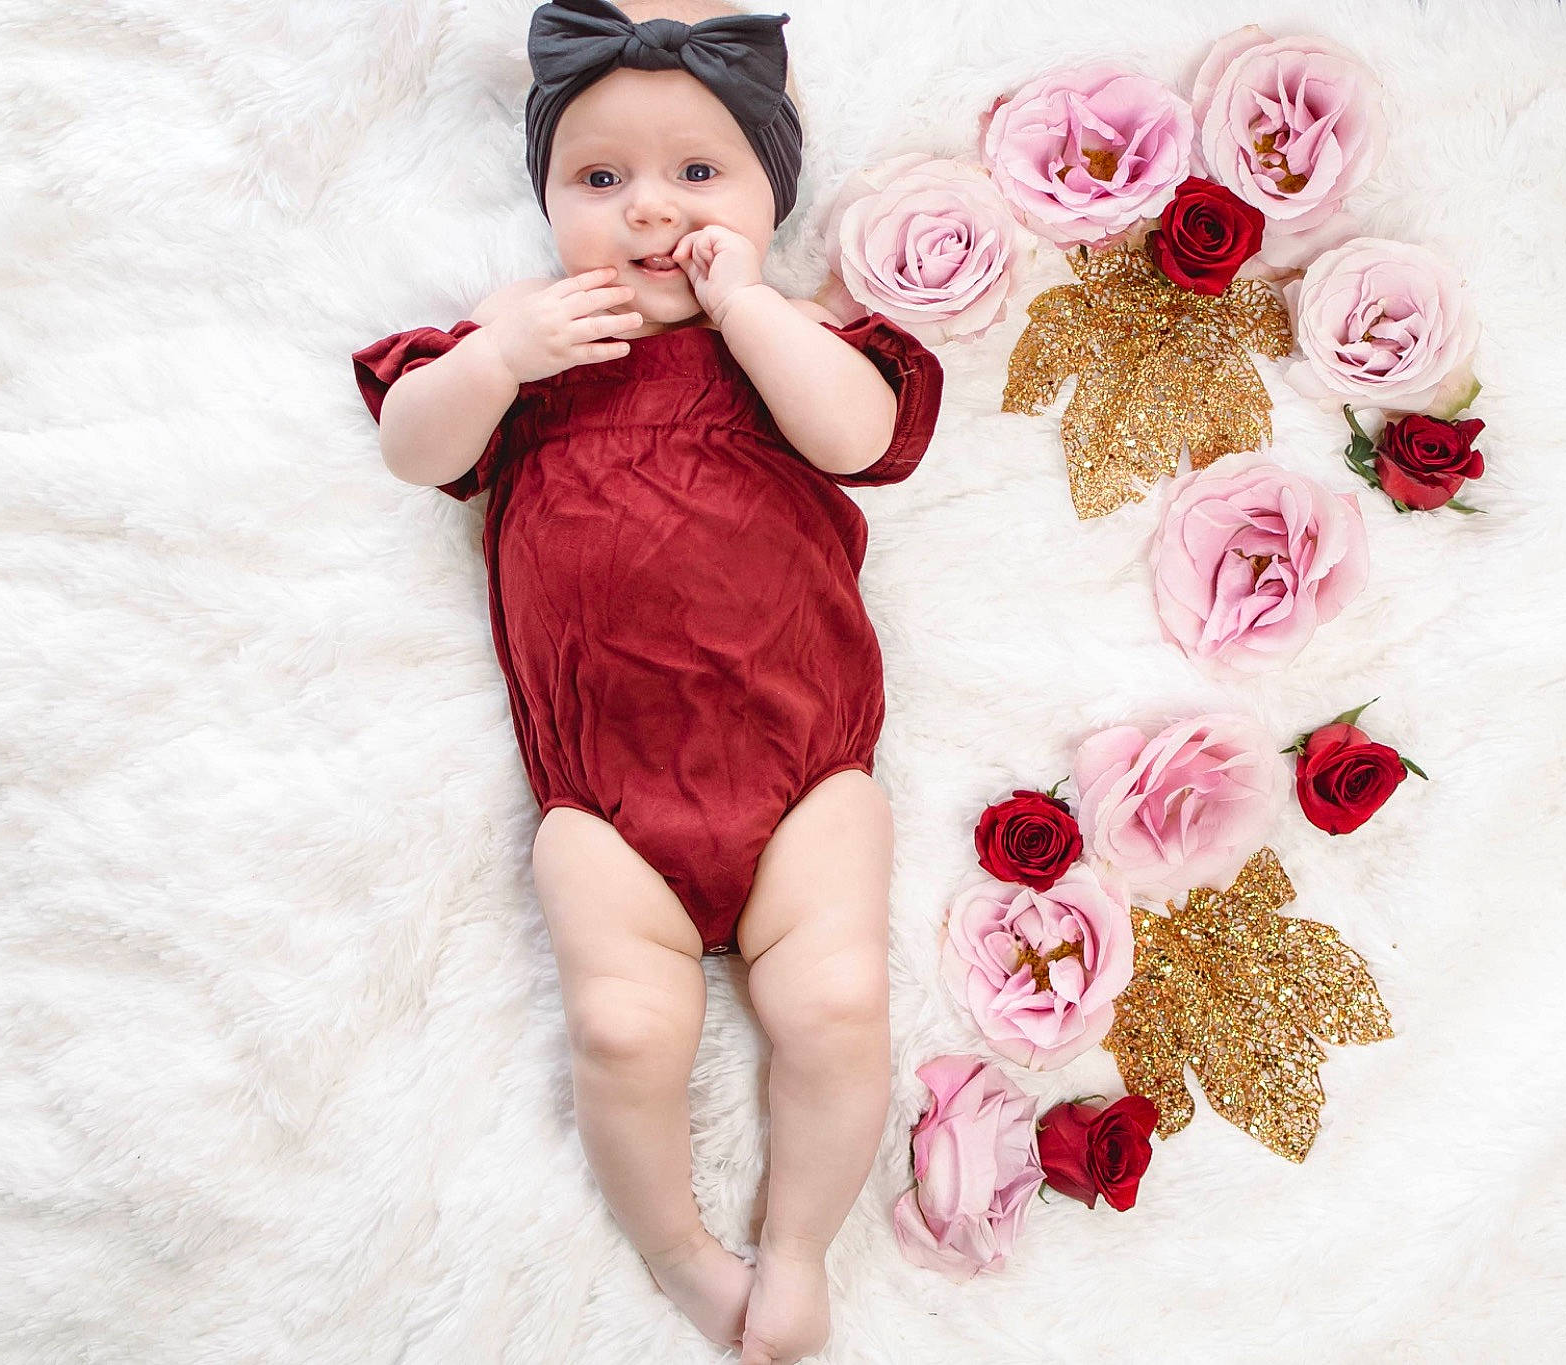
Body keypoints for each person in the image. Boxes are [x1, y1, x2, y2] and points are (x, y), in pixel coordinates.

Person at [350, 2, 944, 1361]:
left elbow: (857, 435)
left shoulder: (786, 336)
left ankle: (798, 1249)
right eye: (599, 179)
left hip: (809, 774)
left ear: (771, 194)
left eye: (699, 175)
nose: (649, 214)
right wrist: (499, 358)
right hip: (604, 799)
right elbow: (407, 446)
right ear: (548, 197)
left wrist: (748, 305)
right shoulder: (530, 336)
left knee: (838, 1002)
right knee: (621, 1026)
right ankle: (681, 1250)